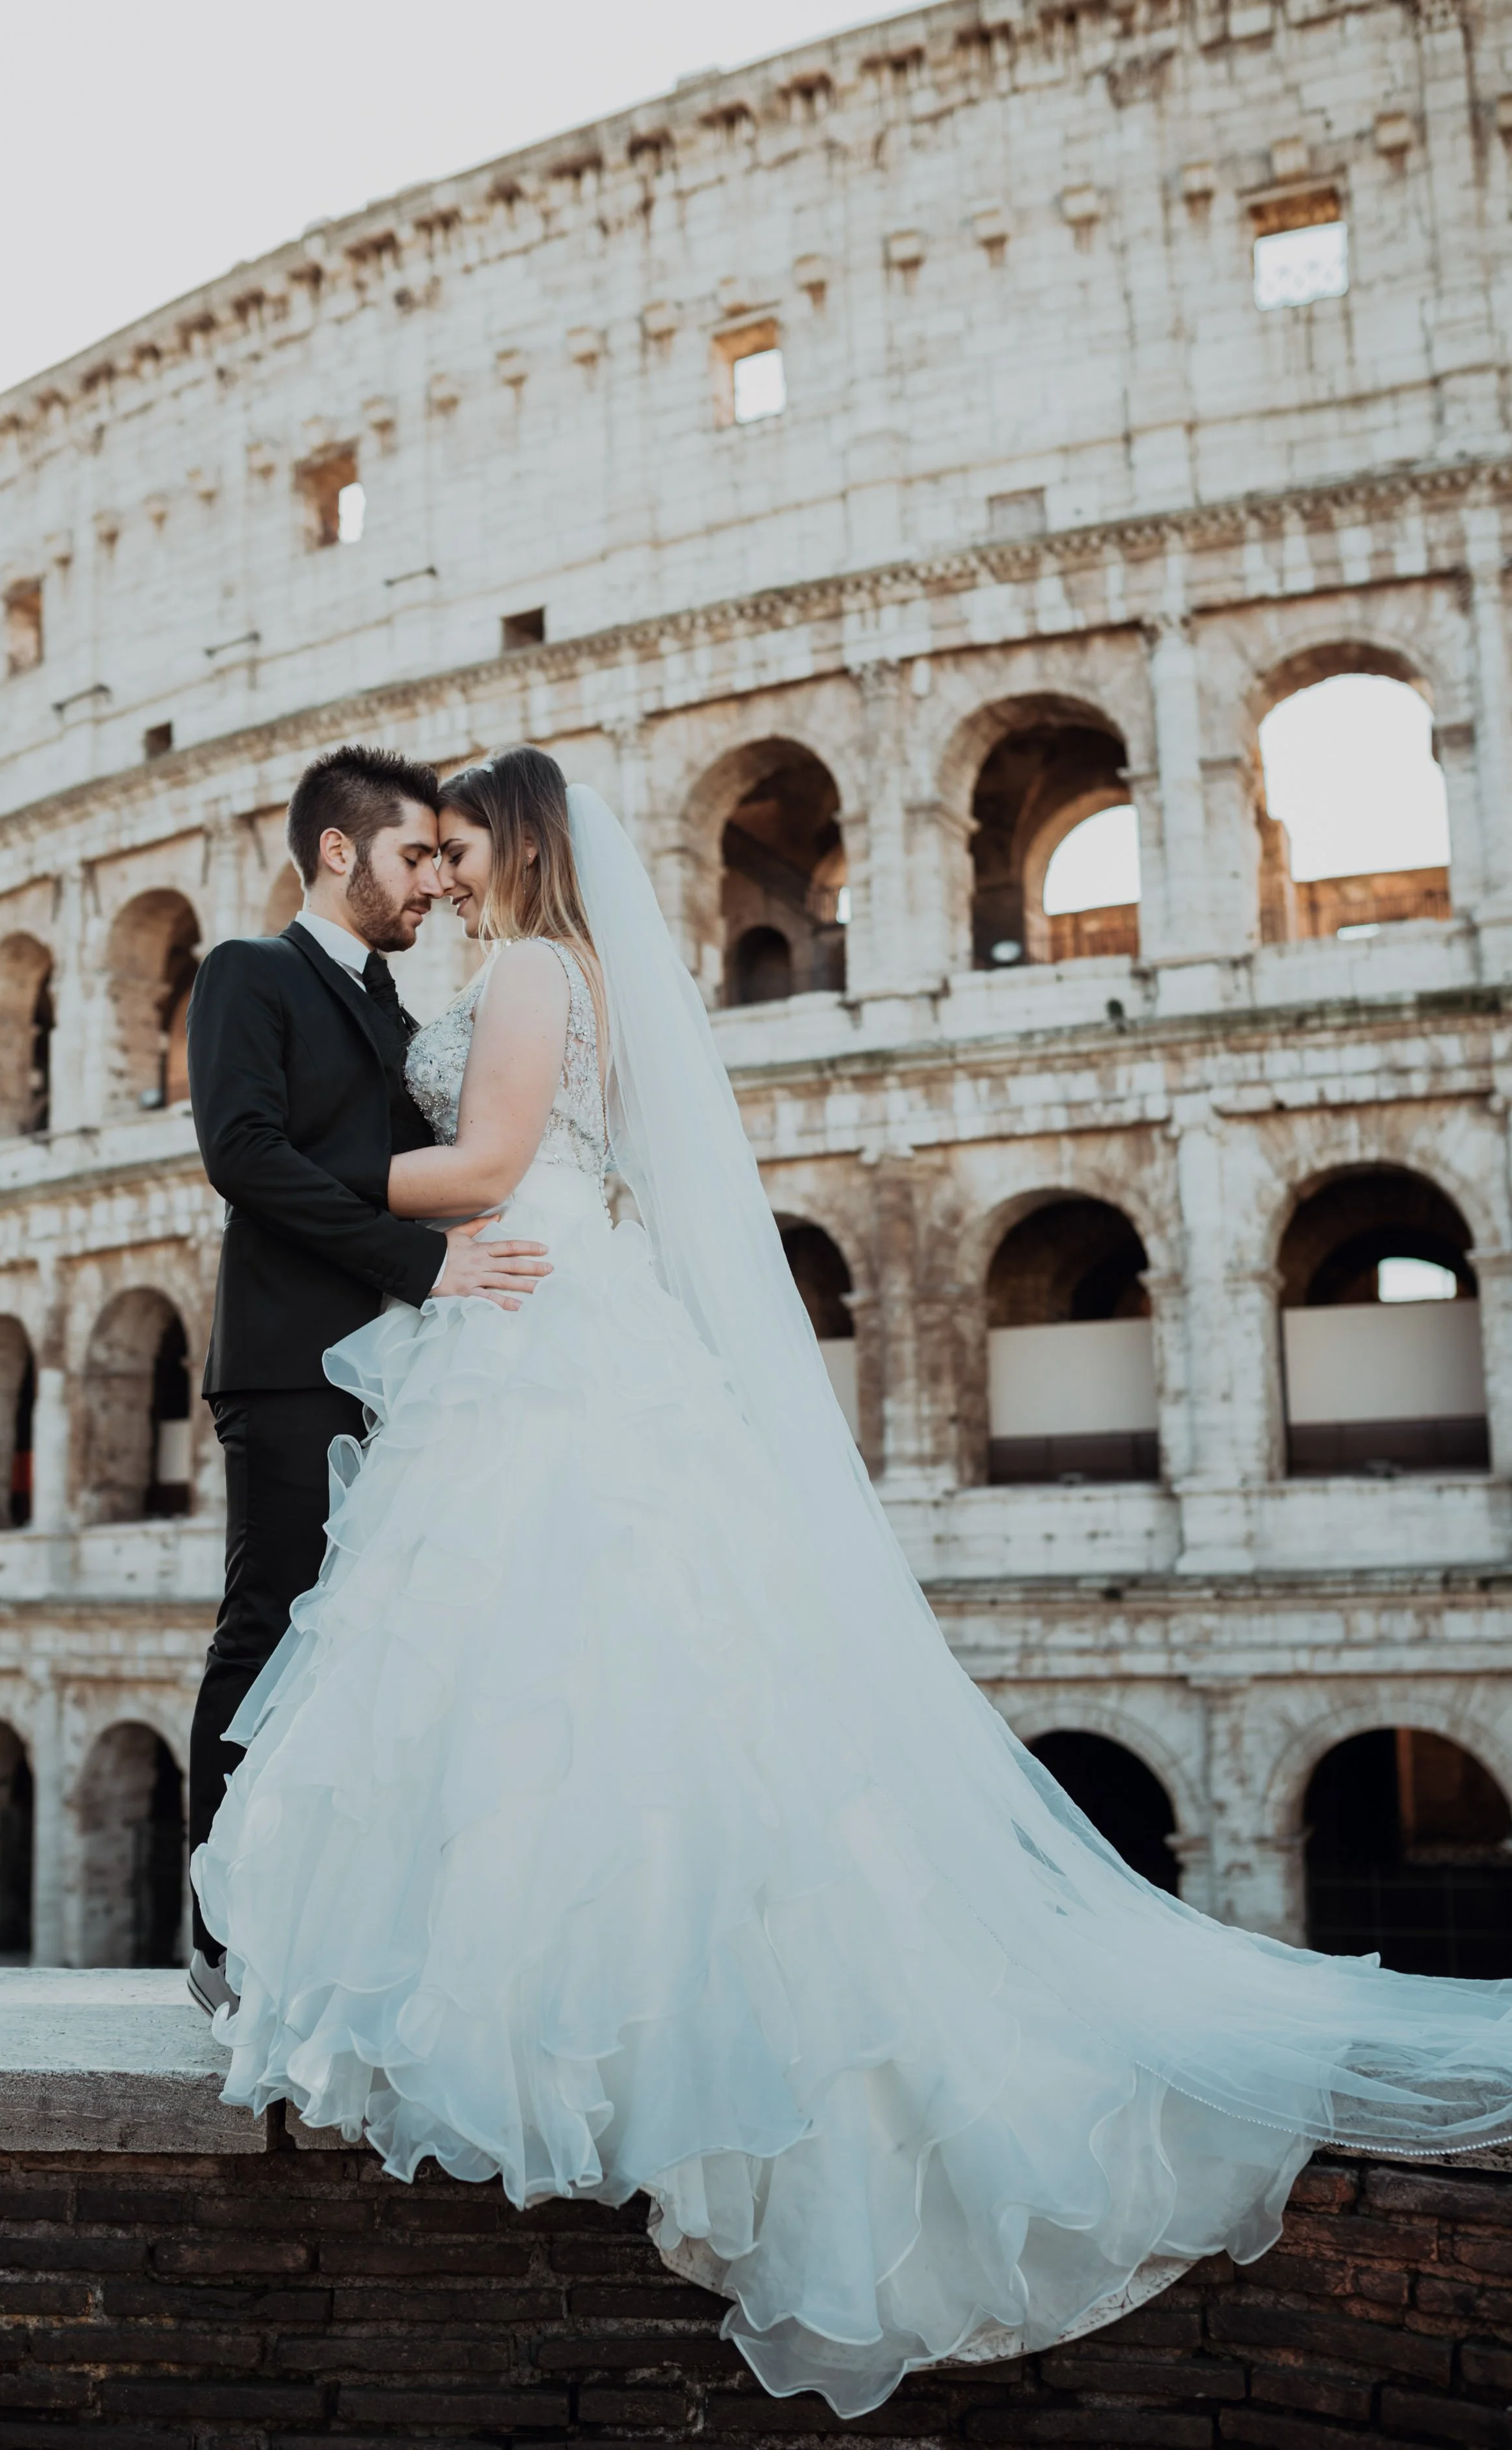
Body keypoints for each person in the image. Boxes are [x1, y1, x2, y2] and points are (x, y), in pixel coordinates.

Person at [193, 747, 1512, 2415]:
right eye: (420, 853)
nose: (438, 875)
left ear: (511, 848)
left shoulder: (530, 967)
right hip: (541, 1304)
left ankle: (561, 2015)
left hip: (520, 1300)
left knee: (533, 1650)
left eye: (455, 849)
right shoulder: (546, 967)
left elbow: (481, 1162)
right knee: (593, 1659)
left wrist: (300, 1196)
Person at [182, 744, 551, 2012]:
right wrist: (420, 1259)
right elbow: (240, 1152)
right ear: (338, 851)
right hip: (291, 1358)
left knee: (360, 1650)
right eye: (410, 857)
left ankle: (321, 1918)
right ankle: (216, 1932)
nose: (431, 886)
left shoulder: (388, 1006)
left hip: (402, 1363)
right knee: (269, 1622)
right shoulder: (250, 973)